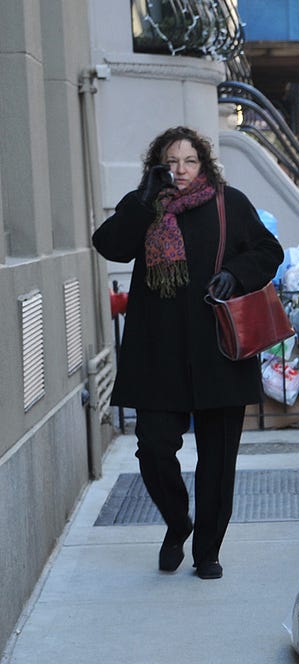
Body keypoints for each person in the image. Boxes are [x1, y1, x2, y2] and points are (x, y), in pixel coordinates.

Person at [92, 126, 284, 579]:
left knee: (218, 462)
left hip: (218, 352)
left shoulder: (227, 203)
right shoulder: (143, 206)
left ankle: (207, 552)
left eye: (189, 161)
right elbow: (109, 245)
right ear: (157, 166)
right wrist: (144, 197)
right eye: (171, 162)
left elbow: (268, 250)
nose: (180, 170)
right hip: (158, 355)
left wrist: (235, 275)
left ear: (205, 165)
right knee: (153, 449)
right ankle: (178, 523)